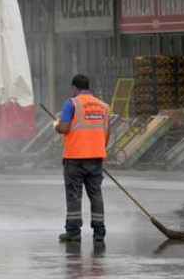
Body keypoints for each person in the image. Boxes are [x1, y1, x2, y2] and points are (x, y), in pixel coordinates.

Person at [53, 74, 110, 243]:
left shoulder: (72, 103)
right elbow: (106, 132)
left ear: (74, 88)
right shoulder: (103, 106)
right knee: (96, 195)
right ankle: (99, 232)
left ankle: (73, 233)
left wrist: (56, 125)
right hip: (96, 157)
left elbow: (64, 128)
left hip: (75, 158)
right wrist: (99, 150)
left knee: (74, 195)